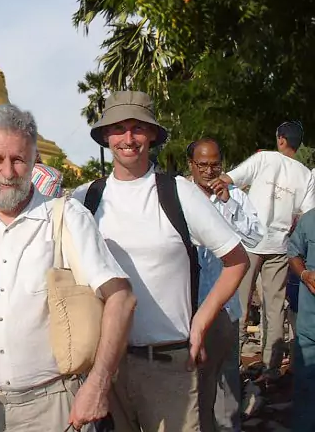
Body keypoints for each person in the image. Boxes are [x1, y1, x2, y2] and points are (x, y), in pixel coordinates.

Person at [0, 103, 136, 432]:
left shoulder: (66, 218)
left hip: (51, 407)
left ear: (34, 160)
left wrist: (98, 384)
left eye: (18, 159)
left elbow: (121, 298)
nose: (8, 172)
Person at [72, 91, 249, 432]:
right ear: (106, 136)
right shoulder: (85, 199)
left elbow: (236, 259)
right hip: (110, 367)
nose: (128, 138)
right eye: (119, 128)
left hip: (171, 364)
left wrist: (201, 321)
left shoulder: (177, 192)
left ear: (151, 134)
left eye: (137, 128)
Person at [213, 121, 315, 378]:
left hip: (249, 243)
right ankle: (271, 369)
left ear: (280, 139)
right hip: (280, 247)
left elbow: (228, 179)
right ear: (297, 143)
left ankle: (233, 365)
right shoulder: (305, 174)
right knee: (274, 307)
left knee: (239, 305)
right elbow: (306, 215)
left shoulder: (265, 159)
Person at [187, 139, 263, 432]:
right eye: (202, 165)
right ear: (192, 165)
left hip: (227, 305)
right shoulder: (180, 198)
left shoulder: (237, 199)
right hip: (192, 305)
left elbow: (257, 238)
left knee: (228, 379)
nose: (209, 171)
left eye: (215, 164)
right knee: (197, 385)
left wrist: (229, 204)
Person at [287, 208, 315, 432]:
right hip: (310, 325)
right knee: (305, 385)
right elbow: (293, 252)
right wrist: (305, 275)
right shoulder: (310, 219)